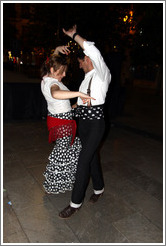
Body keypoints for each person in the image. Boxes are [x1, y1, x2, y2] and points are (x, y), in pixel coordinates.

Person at [59, 25, 111, 218]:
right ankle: (99, 188)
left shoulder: (102, 74)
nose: (79, 65)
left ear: (87, 59)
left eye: (80, 62)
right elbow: (80, 102)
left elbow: (92, 49)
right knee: (90, 158)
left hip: (97, 124)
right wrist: (68, 110)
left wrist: (74, 36)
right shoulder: (84, 80)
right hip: (84, 124)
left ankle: (75, 203)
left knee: (83, 160)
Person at [41, 45, 95, 194]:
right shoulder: (52, 84)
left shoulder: (46, 78)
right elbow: (56, 95)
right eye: (62, 71)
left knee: (67, 150)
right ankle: (55, 184)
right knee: (63, 152)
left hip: (60, 119)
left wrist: (56, 50)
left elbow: (51, 63)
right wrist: (79, 93)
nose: (64, 74)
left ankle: (62, 181)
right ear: (53, 70)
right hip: (62, 123)